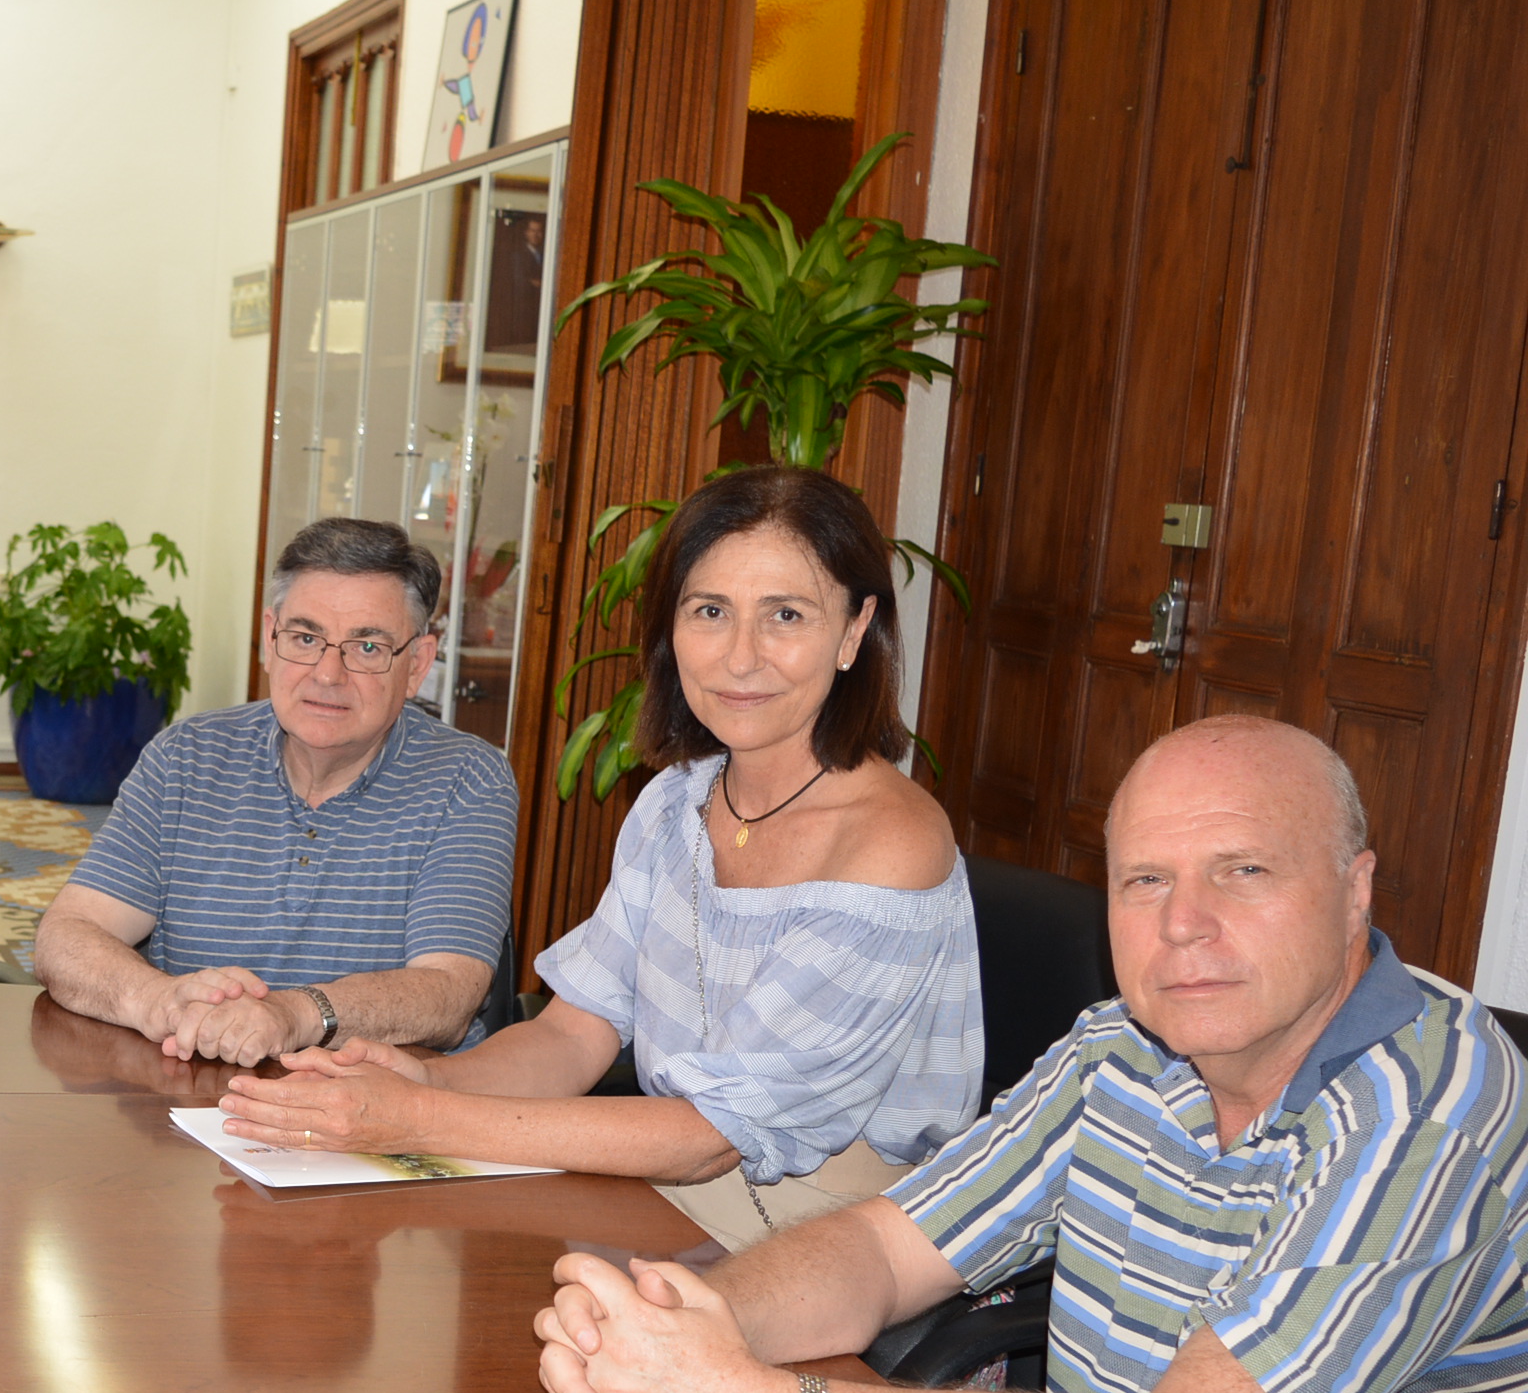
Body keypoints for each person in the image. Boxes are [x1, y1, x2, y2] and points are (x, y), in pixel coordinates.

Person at [533, 715, 1528, 1393]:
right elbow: (878, 1247)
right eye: (1143, 880)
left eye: (1242, 871)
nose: (1183, 924)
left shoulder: (1429, 1103)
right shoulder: (1122, 1050)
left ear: (1354, 890)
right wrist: (679, 1321)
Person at [216, 468, 982, 1249]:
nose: (740, 657)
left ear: (854, 632)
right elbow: (573, 1034)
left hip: (827, 1233)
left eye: (785, 615)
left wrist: (416, 1117)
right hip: (661, 1187)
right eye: (710, 611)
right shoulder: (677, 801)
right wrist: (422, 1078)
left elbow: (711, 1134)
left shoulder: (891, 843)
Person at [33, 517, 516, 1066]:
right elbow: (67, 935)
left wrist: (294, 1015)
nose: (328, 673)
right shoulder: (185, 758)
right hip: (188, 1095)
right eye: (305, 639)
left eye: (366, 647)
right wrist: (158, 1001)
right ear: (269, 639)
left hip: (376, 1111)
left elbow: (449, 994)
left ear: (417, 666)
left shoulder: (468, 779)